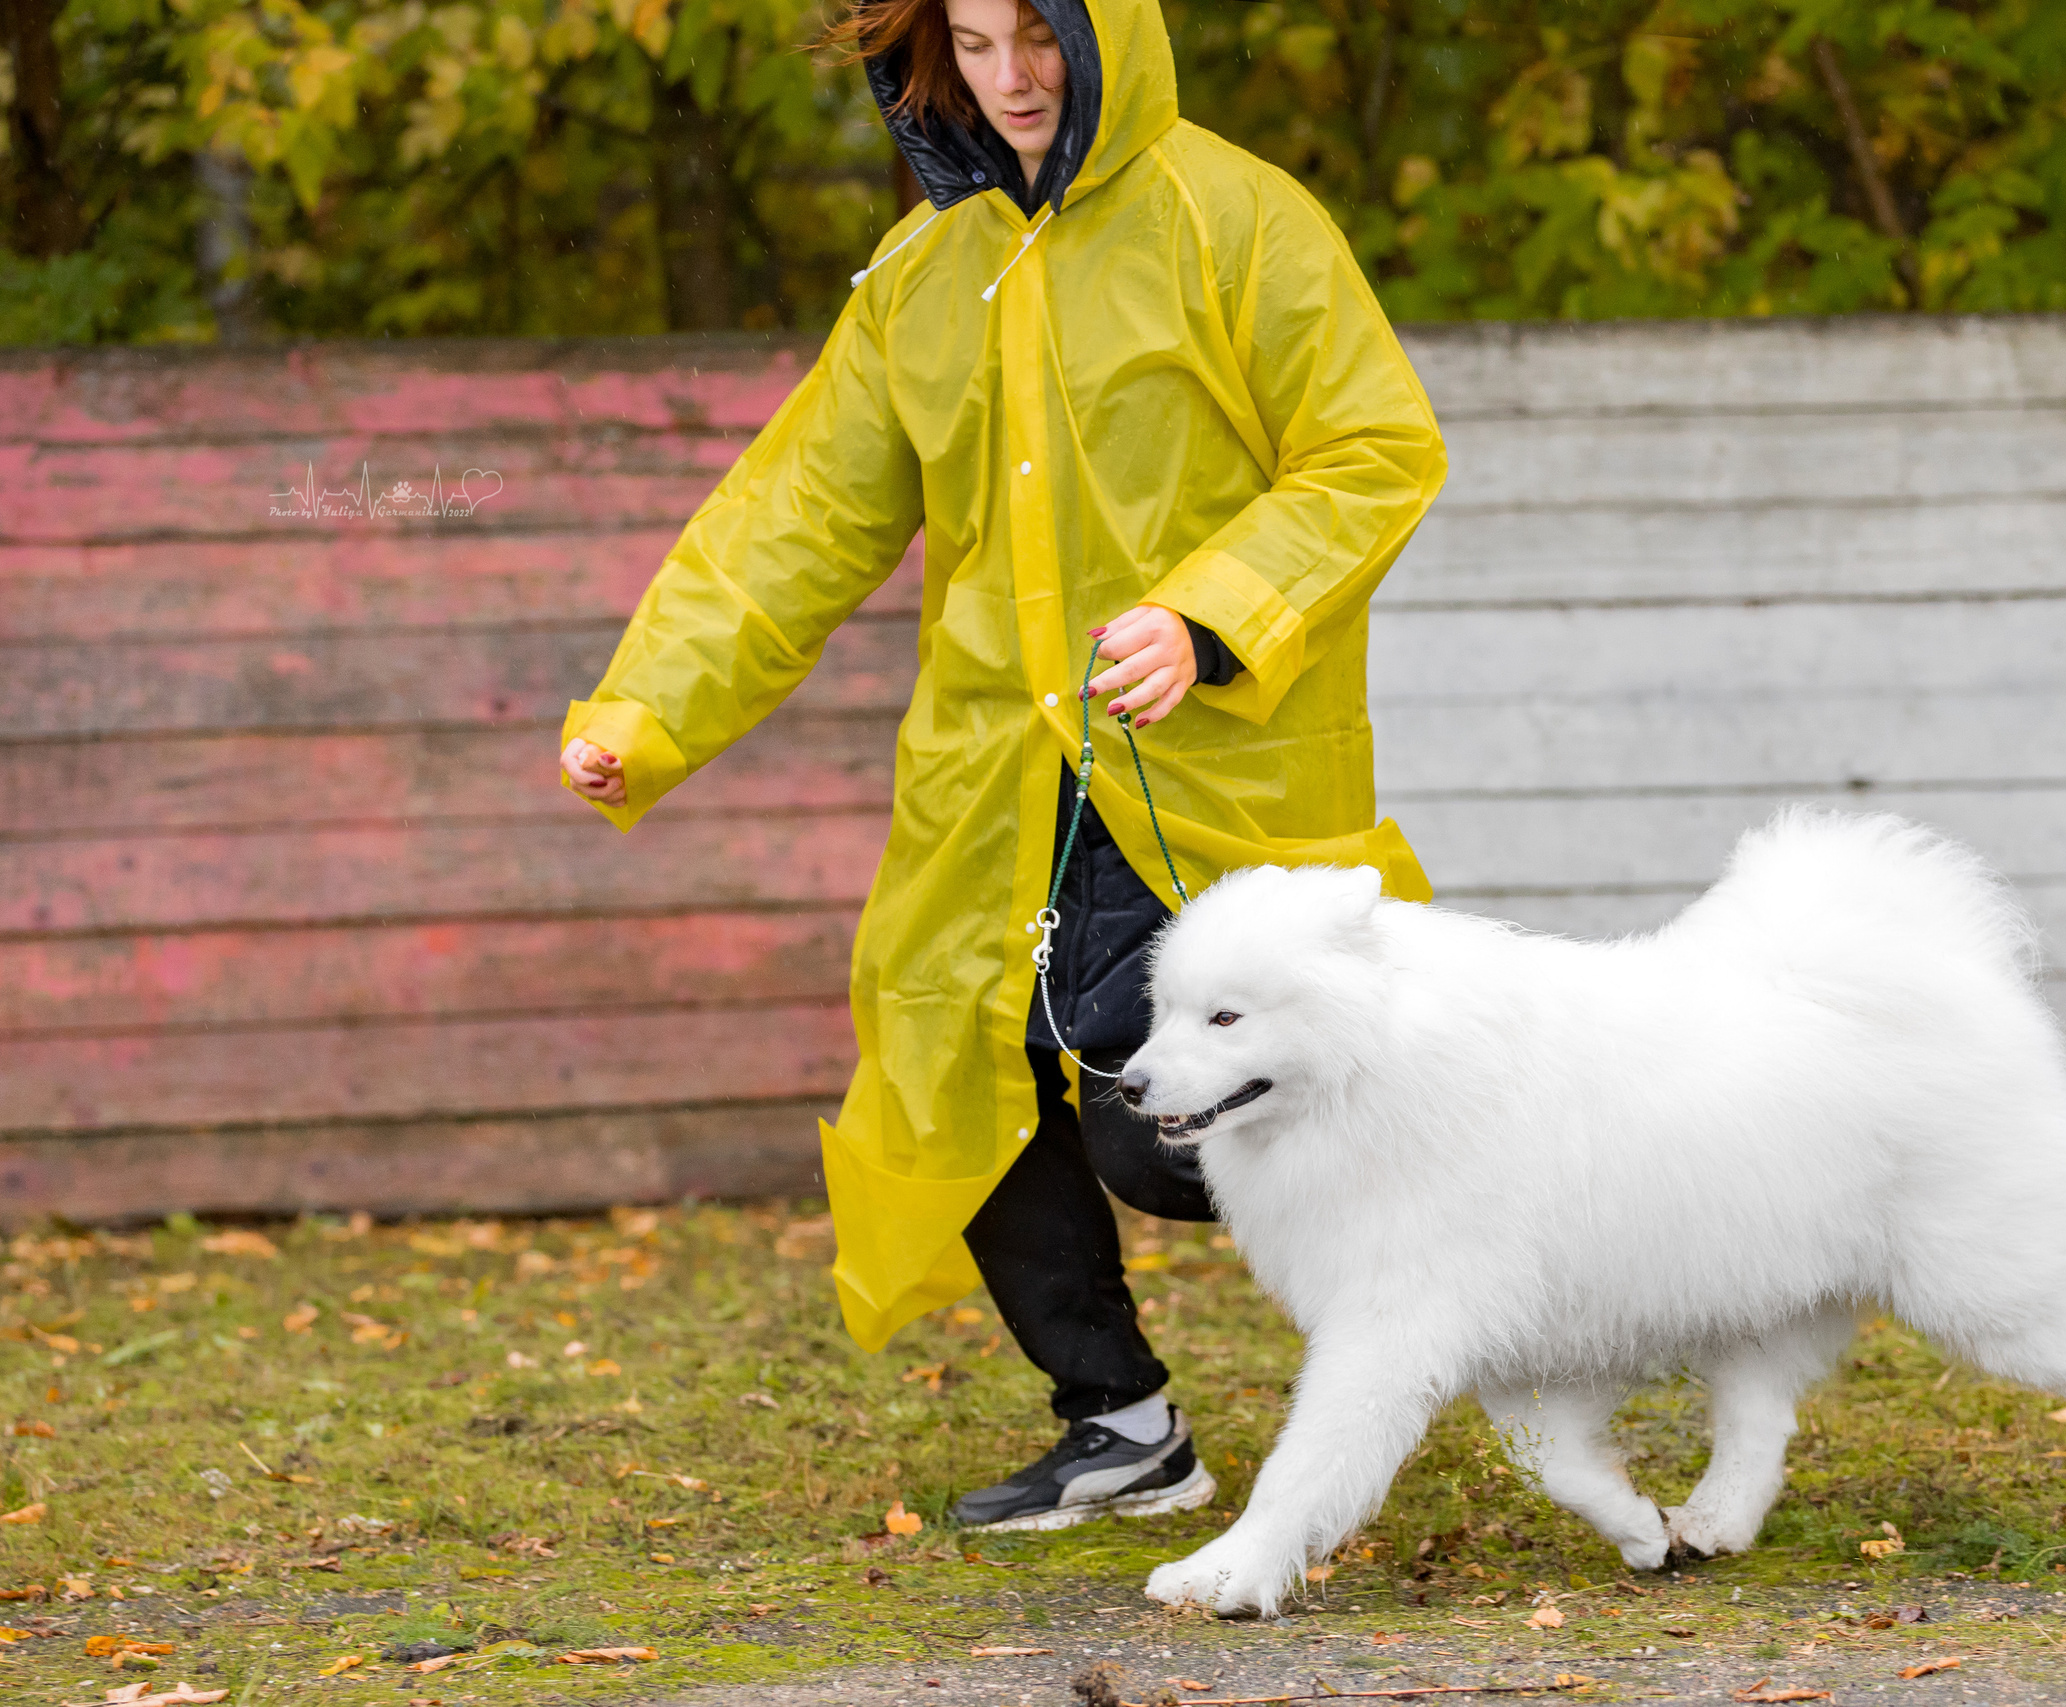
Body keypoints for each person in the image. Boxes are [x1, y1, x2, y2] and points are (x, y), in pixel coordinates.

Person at [556, 0, 1445, 1532]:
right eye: (974, 44)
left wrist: (1209, 614)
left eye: (1040, 36)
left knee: (1159, 1130)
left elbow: (1372, 448)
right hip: (989, 777)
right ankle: (1124, 1428)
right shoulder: (924, 275)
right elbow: (795, 523)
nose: (1012, 78)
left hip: (1207, 762)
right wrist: (647, 711)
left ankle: (1469, 1303)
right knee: (952, 1080)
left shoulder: (1237, 221)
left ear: (1110, 35)